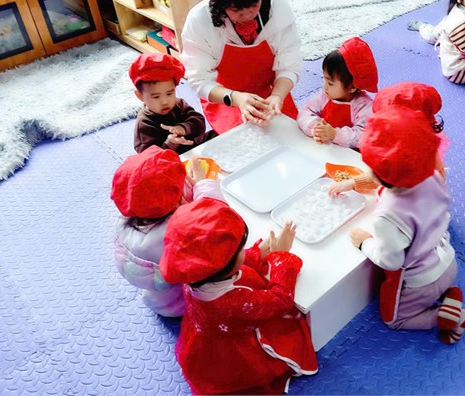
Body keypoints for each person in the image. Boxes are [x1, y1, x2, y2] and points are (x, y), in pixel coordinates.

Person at [159, 198, 318, 394]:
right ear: (228, 264)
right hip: (235, 351)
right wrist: (280, 257)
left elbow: (224, 262)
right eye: (240, 249)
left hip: (205, 340)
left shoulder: (191, 270)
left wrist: (258, 252)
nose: (243, 250)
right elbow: (280, 300)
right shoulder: (232, 303)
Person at [348, 106, 465, 345]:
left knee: (393, 319)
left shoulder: (387, 216)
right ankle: (448, 295)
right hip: (448, 262)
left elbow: (391, 262)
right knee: (434, 284)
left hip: (420, 282)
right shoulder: (432, 178)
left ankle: (446, 317)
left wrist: (364, 242)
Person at [180, 0, 303, 134]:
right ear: (220, 4)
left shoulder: (278, 8)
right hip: (225, 95)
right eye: (235, 9)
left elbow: (290, 61)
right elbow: (199, 79)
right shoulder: (199, 20)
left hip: (271, 89)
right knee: (242, 139)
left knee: (289, 133)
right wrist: (235, 98)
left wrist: (277, 96)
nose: (246, 15)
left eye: (253, 5)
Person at [110, 146, 220, 317]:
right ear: (177, 200)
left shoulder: (126, 219)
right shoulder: (174, 233)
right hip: (181, 302)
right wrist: (202, 183)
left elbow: (159, 194)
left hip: (156, 293)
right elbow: (214, 214)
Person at [328, 82, 450, 196]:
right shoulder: (414, 142)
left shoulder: (417, 160)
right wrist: (353, 182)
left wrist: (353, 183)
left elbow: (385, 176)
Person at [297, 37, 378, 149]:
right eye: (324, 79)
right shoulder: (324, 96)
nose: (324, 86)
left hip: (346, 156)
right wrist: (316, 128)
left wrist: (335, 134)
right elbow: (304, 112)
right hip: (322, 149)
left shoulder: (363, 106)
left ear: (352, 87)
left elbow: (364, 136)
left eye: (330, 83)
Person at [129, 53, 217, 154]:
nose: (165, 102)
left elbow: (199, 123)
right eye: (156, 97)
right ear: (140, 96)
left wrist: (183, 128)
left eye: (169, 93)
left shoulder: (179, 104)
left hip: (197, 145)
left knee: (221, 132)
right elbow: (150, 157)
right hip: (174, 158)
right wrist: (170, 144)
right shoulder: (144, 124)